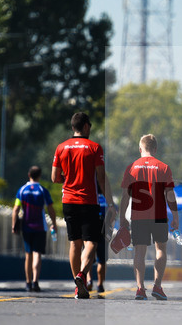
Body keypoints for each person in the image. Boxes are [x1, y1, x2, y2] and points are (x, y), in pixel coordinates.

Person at [51, 112, 111, 299]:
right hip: (89, 201)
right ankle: (82, 275)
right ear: (86, 127)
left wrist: (68, 179)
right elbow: (101, 177)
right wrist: (109, 201)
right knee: (91, 242)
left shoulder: (61, 147)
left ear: (73, 127)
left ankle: (77, 286)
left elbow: (54, 178)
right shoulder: (94, 148)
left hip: (68, 200)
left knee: (74, 243)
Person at [119, 134, 179, 300]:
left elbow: (125, 195)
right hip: (159, 215)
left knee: (139, 251)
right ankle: (157, 287)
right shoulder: (164, 167)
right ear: (155, 149)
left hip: (138, 215)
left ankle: (140, 289)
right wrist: (175, 216)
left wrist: (122, 216)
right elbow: (170, 194)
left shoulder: (132, 167)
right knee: (161, 249)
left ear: (140, 149)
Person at [12, 165, 57, 292]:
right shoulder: (43, 190)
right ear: (39, 176)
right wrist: (54, 223)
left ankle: (27, 283)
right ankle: (35, 282)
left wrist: (14, 225)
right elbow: (51, 208)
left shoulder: (22, 190)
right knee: (37, 254)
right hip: (40, 227)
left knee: (28, 255)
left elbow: (16, 209)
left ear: (29, 175)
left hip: (26, 227)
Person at [87, 190, 116, 295]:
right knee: (102, 260)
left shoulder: (89, 197)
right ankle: (100, 284)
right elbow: (113, 216)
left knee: (88, 256)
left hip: (90, 230)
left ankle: (89, 280)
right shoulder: (109, 201)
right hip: (103, 232)